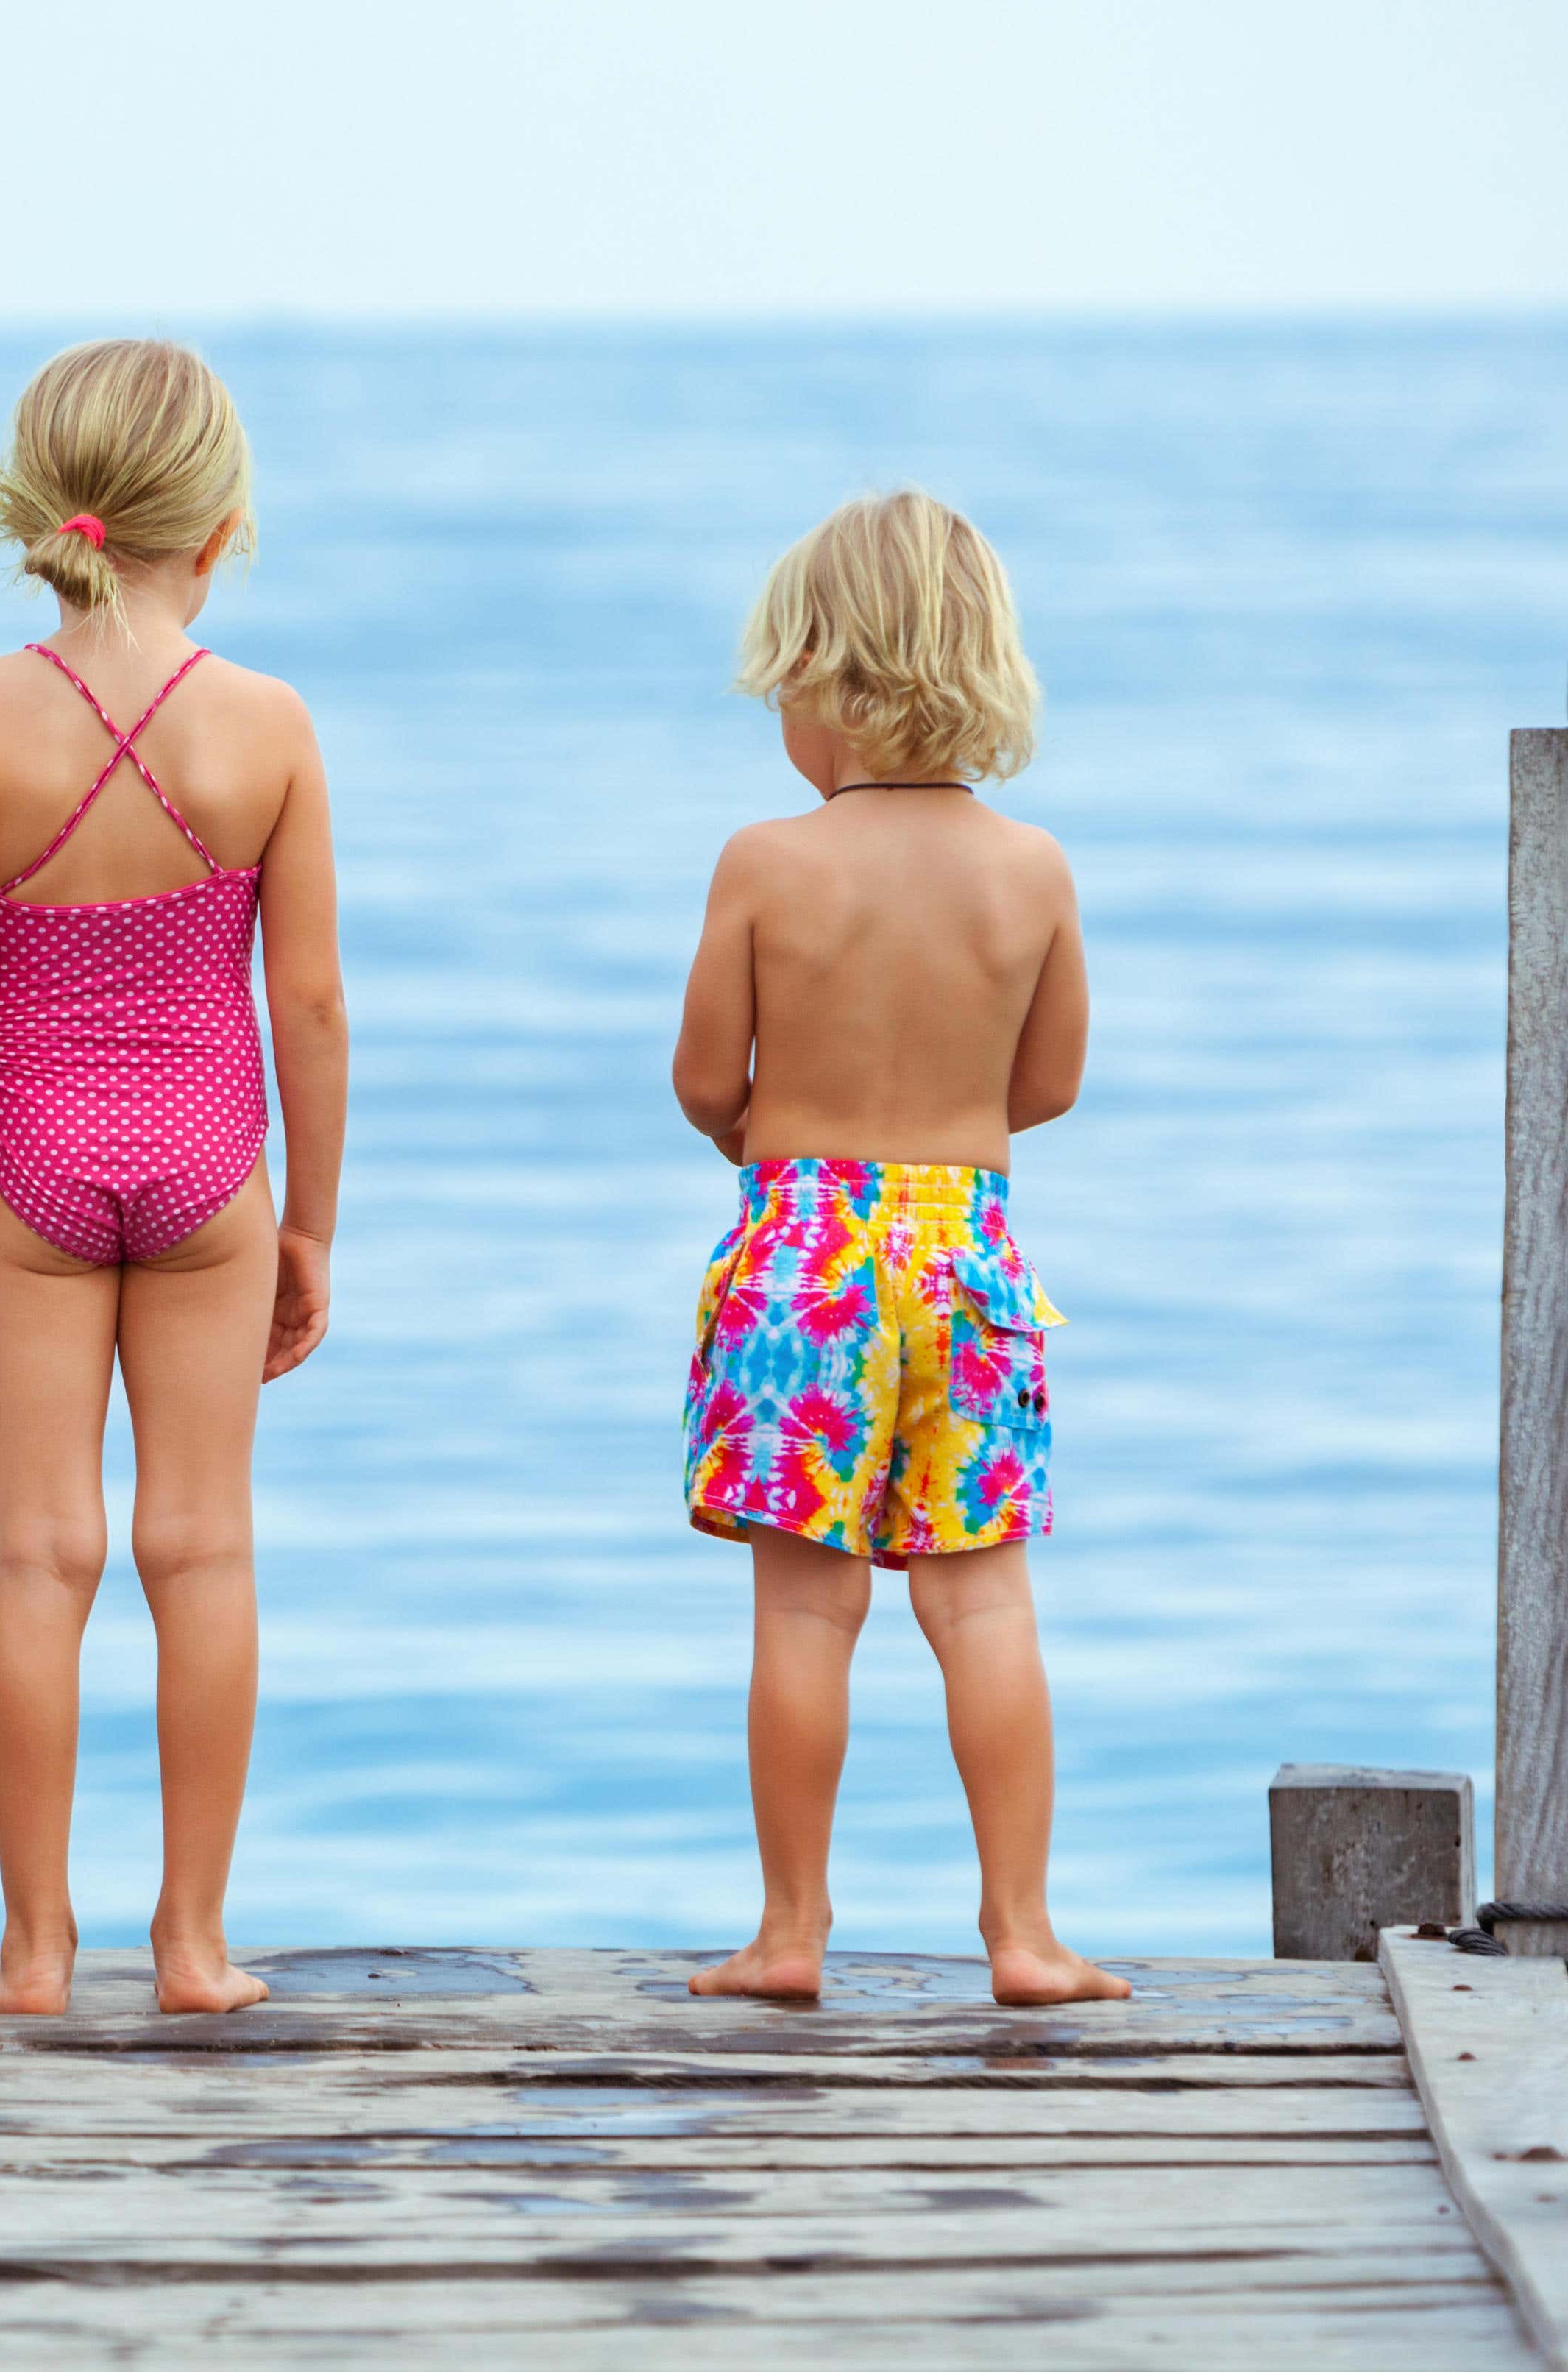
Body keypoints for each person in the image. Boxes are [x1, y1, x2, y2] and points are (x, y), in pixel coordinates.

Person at [0, 338, 347, 2018]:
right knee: (200, 1550)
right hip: (213, 1169)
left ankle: (32, 1951)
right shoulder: (267, 725)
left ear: (43, 515)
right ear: (217, 528)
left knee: (41, 1556)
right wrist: (309, 1223)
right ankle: (194, 1947)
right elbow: (307, 1002)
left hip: (29, 1171)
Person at [666, 489, 1127, 2009]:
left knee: (806, 1606)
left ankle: (789, 1932)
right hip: (964, 1251)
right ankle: (1024, 1934)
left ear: (820, 676)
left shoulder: (764, 861)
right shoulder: (1031, 868)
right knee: (980, 1599)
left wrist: (769, 1138)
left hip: (803, 1249)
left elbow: (701, 1077)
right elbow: (1048, 1083)